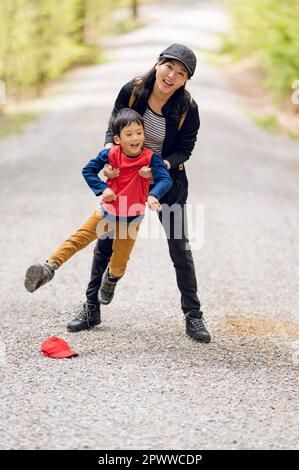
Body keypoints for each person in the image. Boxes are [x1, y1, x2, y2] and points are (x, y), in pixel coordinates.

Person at [67, 43, 211, 343]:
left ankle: (193, 315)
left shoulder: (187, 108)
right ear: (158, 63)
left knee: (179, 248)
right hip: (126, 180)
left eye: (181, 73)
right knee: (105, 241)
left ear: (186, 80)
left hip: (164, 182)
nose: (172, 75)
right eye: (169, 66)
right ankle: (91, 306)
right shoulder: (132, 91)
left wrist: (162, 166)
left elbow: (185, 148)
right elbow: (113, 126)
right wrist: (108, 150)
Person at [24, 109, 172, 303]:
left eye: (139, 132)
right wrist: (103, 189)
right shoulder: (110, 154)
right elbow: (88, 170)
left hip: (131, 219)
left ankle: (111, 279)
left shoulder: (150, 158)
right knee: (77, 239)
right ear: (118, 139)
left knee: (119, 261)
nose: (136, 137)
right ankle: (48, 268)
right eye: (129, 134)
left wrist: (153, 195)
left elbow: (165, 179)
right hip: (106, 213)